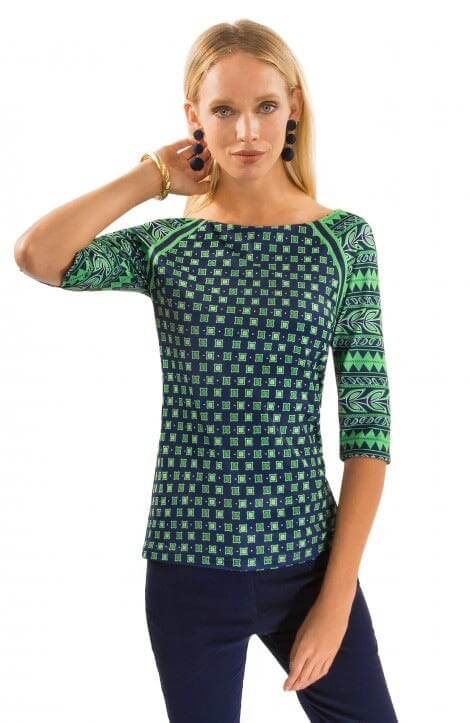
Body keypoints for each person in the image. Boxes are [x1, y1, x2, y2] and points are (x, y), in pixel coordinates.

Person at [14, 18, 397, 723]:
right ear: (194, 118)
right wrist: (151, 176)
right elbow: (40, 255)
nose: (246, 130)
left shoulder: (343, 240)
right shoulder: (170, 245)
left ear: (294, 107)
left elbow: (368, 430)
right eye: (223, 110)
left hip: (308, 566)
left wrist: (337, 597)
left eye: (266, 106)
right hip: (188, 570)